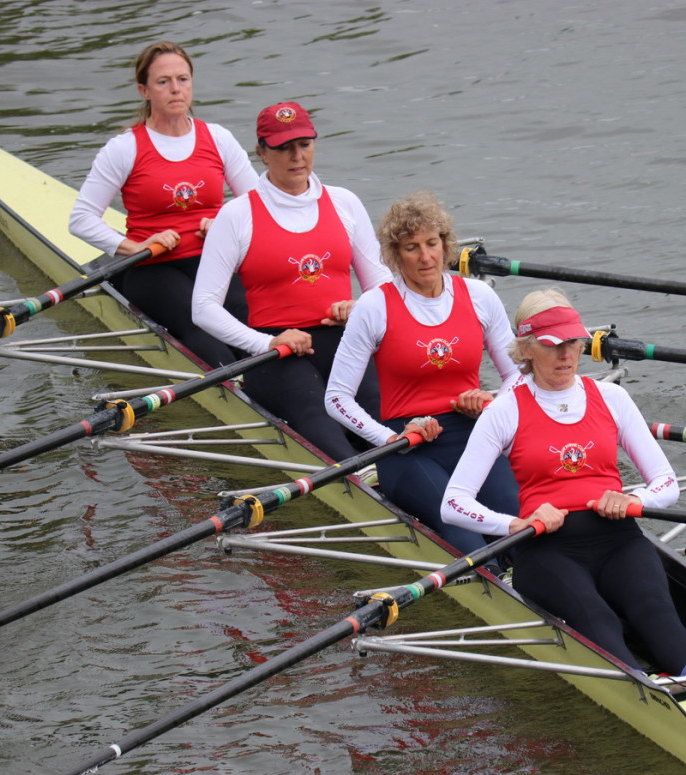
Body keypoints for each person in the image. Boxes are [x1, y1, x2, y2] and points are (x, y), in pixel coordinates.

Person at [440, 290, 686, 677]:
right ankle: (647, 692)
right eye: (554, 345)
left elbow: (667, 483)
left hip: (619, 539)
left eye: (574, 342)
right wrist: (515, 525)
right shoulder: (504, 411)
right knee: (597, 620)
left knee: (656, 609)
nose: (567, 355)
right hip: (548, 549)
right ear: (527, 349)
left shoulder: (612, 397)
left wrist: (632, 497)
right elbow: (454, 502)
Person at [324, 191, 521, 554]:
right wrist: (387, 439)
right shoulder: (374, 306)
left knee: (519, 523)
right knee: (467, 538)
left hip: (474, 435)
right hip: (408, 447)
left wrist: (491, 401)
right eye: (412, 247)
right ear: (395, 256)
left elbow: (519, 377)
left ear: (446, 246)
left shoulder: (480, 296)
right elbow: (336, 398)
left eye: (432, 243)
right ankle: (494, 582)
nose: (426, 256)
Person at [192, 101, 390, 461]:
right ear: (262, 153)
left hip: (343, 340)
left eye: (304, 144)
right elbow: (203, 307)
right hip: (276, 353)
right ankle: (362, 485)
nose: (296, 156)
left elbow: (382, 284)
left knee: (383, 416)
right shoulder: (236, 215)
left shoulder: (344, 202)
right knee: (322, 426)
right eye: (283, 147)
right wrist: (264, 343)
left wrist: (361, 307)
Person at [69, 41, 257, 369]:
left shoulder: (218, 138)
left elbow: (258, 205)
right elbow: (81, 219)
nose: (175, 89)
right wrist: (134, 245)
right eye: (163, 81)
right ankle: (233, 391)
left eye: (183, 80)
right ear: (144, 90)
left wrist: (228, 224)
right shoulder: (124, 148)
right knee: (207, 337)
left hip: (215, 260)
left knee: (253, 324)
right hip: (153, 268)